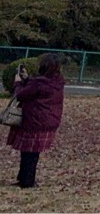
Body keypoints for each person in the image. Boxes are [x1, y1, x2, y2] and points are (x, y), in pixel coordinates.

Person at [8, 54, 65, 189]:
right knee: (33, 152)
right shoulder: (57, 82)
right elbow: (36, 88)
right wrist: (27, 79)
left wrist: (18, 83)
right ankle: (25, 178)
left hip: (34, 121)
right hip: (49, 121)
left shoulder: (39, 83)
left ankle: (26, 180)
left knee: (28, 152)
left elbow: (21, 95)